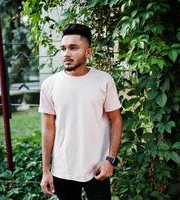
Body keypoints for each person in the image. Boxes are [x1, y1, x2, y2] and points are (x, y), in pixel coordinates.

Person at [39, 23, 122, 200]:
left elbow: (116, 120)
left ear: (88, 52)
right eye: (63, 48)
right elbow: (48, 129)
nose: (66, 54)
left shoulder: (104, 81)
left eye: (73, 48)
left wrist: (110, 160)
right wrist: (46, 170)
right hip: (63, 169)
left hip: (98, 167)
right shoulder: (50, 85)